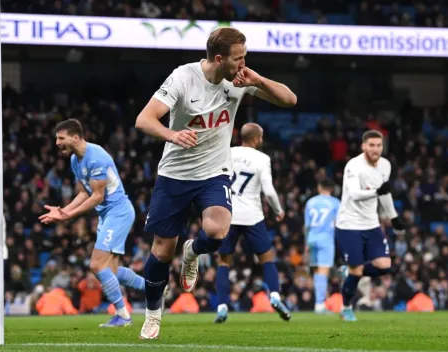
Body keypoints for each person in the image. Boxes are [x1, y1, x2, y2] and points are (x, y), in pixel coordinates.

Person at [135, 27, 297, 339]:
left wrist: (258, 81)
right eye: (239, 58)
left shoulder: (241, 79)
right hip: (175, 174)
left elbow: (290, 100)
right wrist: (172, 134)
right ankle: (154, 314)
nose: (244, 63)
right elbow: (144, 119)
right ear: (219, 59)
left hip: (214, 172)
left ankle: (193, 252)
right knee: (161, 251)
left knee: (217, 231)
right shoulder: (183, 77)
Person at [39, 119, 145, 327]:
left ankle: (123, 316)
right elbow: (84, 192)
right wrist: (63, 211)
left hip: (118, 212)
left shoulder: (96, 157)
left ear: (75, 137)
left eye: (61, 138)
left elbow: (97, 195)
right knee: (110, 273)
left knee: (96, 265)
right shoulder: (75, 160)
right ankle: (154, 288)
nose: (57, 143)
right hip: (107, 214)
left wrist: (69, 216)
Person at [214, 123, 290, 323]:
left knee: (223, 262)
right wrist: (278, 211)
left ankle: (222, 307)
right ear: (256, 139)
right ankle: (274, 295)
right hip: (252, 216)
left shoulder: (227, 152)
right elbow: (269, 190)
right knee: (266, 258)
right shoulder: (262, 158)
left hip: (228, 214)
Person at [335, 130, 405, 321]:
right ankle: (347, 308)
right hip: (349, 224)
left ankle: (348, 272)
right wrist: (377, 191)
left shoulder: (385, 166)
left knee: (384, 266)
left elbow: (385, 192)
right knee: (356, 271)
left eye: (378, 145)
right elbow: (355, 194)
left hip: (371, 223)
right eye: (371, 145)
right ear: (363, 146)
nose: (375, 149)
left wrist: (393, 216)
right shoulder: (354, 166)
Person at [304, 178, 340, 314]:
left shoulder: (310, 202)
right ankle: (319, 304)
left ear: (319, 188)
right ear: (331, 189)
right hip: (326, 239)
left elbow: (306, 226)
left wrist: (306, 243)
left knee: (317, 272)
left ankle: (319, 302)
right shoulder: (335, 203)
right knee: (323, 271)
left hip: (312, 239)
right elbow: (338, 222)